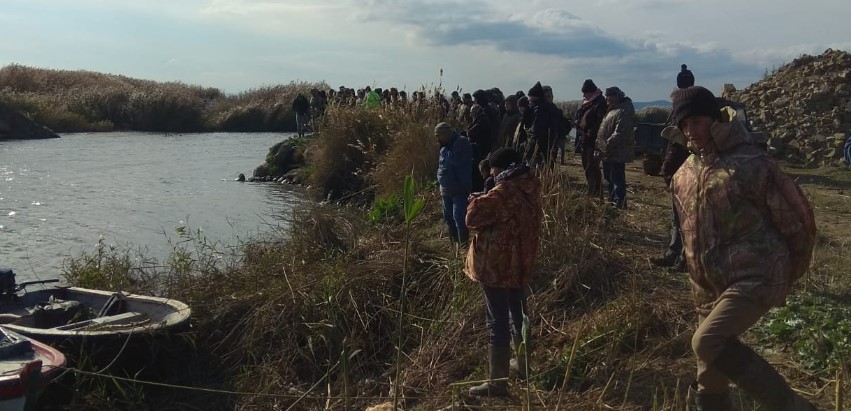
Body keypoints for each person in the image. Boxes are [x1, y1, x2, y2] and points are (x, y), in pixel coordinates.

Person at [669, 86, 818, 411]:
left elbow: (798, 222)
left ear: (715, 119)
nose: (691, 131)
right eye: (684, 125)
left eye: (697, 121)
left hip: (757, 274)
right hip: (708, 287)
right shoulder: (683, 174)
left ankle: (792, 406)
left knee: (707, 341)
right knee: (709, 373)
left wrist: (790, 270)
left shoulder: (751, 163)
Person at [465, 148, 543, 397]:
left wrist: (478, 198)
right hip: (520, 262)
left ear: (502, 169)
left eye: (495, 170)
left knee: (496, 321)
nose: (493, 174)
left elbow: (472, 217)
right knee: (519, 315)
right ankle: (523, 365)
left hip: (498, 266)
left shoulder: (505, 191)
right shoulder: (529, 185)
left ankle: (497, 382)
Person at [651, 65, 695, 269]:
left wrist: (668, 170)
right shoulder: (682, 109)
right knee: (677, 216)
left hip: (686, 171)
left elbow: (678, 147)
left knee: (687, 217)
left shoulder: (687, 109)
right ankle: (673, 253)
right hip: (678, 171)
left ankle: (686, 259)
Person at [596, 87, 634, 209]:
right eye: (606, 96)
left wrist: (606, 145)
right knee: (609, 177)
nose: (606, 98)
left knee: (617, 177)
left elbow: (620, 133)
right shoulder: (612, 109)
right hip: (607, 151)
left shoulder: (623, 110)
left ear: (617, 96)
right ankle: (612, 200)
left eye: (609, 96)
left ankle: (619, 203)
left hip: (617, 151)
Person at [436, 122, 473, 244]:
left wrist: (444, 151)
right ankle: (454, 247)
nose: (437, 139)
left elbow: (456, 160)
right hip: (446, 189)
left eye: (439, 136)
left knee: (459, 218)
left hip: (459, 188)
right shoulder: (445, 145)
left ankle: (462, 247)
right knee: (449, 218)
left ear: (446, 134)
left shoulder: (461, 142)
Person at [575, 79, 606, 195]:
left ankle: (596, 190)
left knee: (591, 165)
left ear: (592, 92)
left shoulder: (600, 103)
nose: (583, 95)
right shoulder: (587, 103)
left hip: (592, 140)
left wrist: (591, 132)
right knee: (586, 165)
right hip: (585, 138)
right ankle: (592, 188)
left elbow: (600, 121)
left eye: (585, 93)